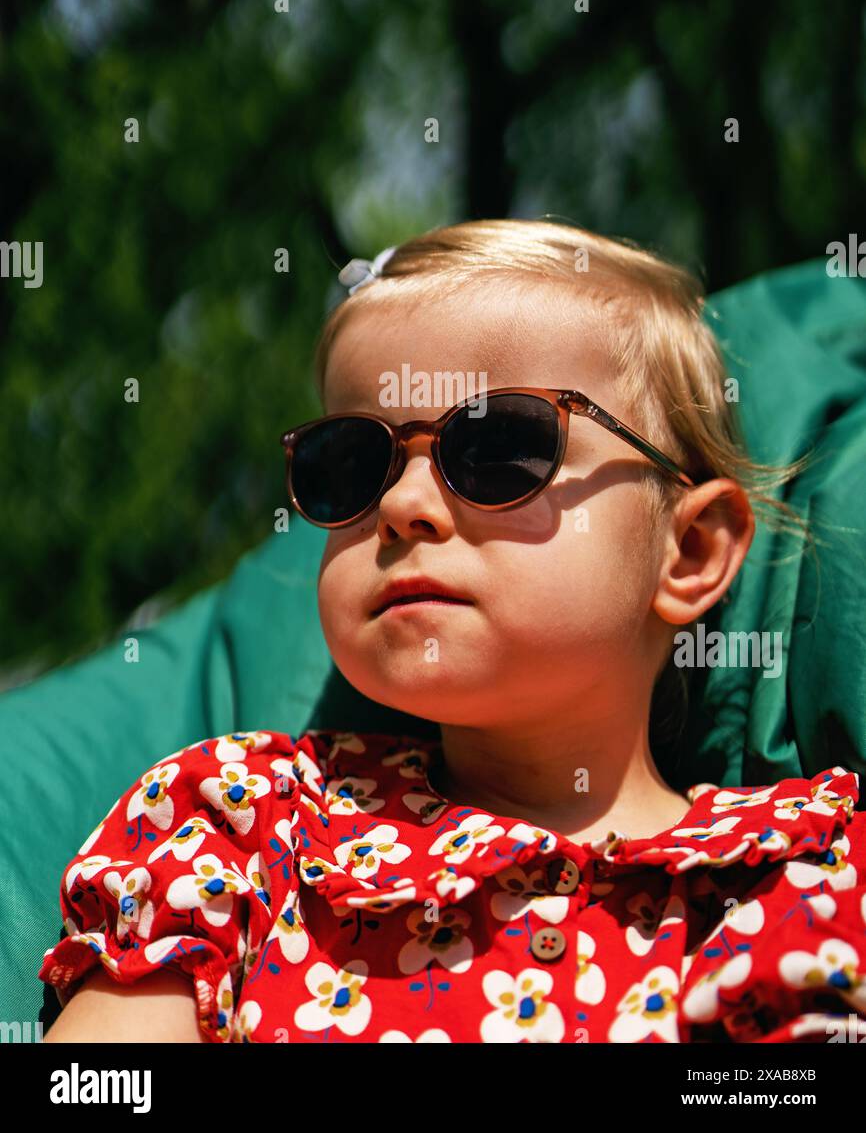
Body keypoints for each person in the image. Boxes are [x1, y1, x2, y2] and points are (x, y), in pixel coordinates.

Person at [41, 219, 866, 1043]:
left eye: (499, 446)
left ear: (687, 552)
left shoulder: (807, 875)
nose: (401, 505)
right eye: (351, 465)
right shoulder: (248, 827)